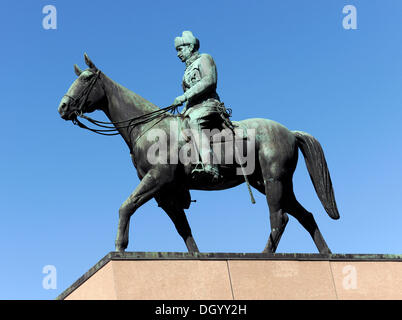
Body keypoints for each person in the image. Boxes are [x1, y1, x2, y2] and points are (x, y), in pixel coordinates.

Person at [172, 31, 224, 181]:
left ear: (190, 46)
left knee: (194, 121)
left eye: (180, 49)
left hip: (208, 105)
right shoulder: (186, 71)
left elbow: (209, 80)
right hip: (192, 109)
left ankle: (210, 166)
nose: (178, 54)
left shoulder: (205, 59)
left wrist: (184, 96)